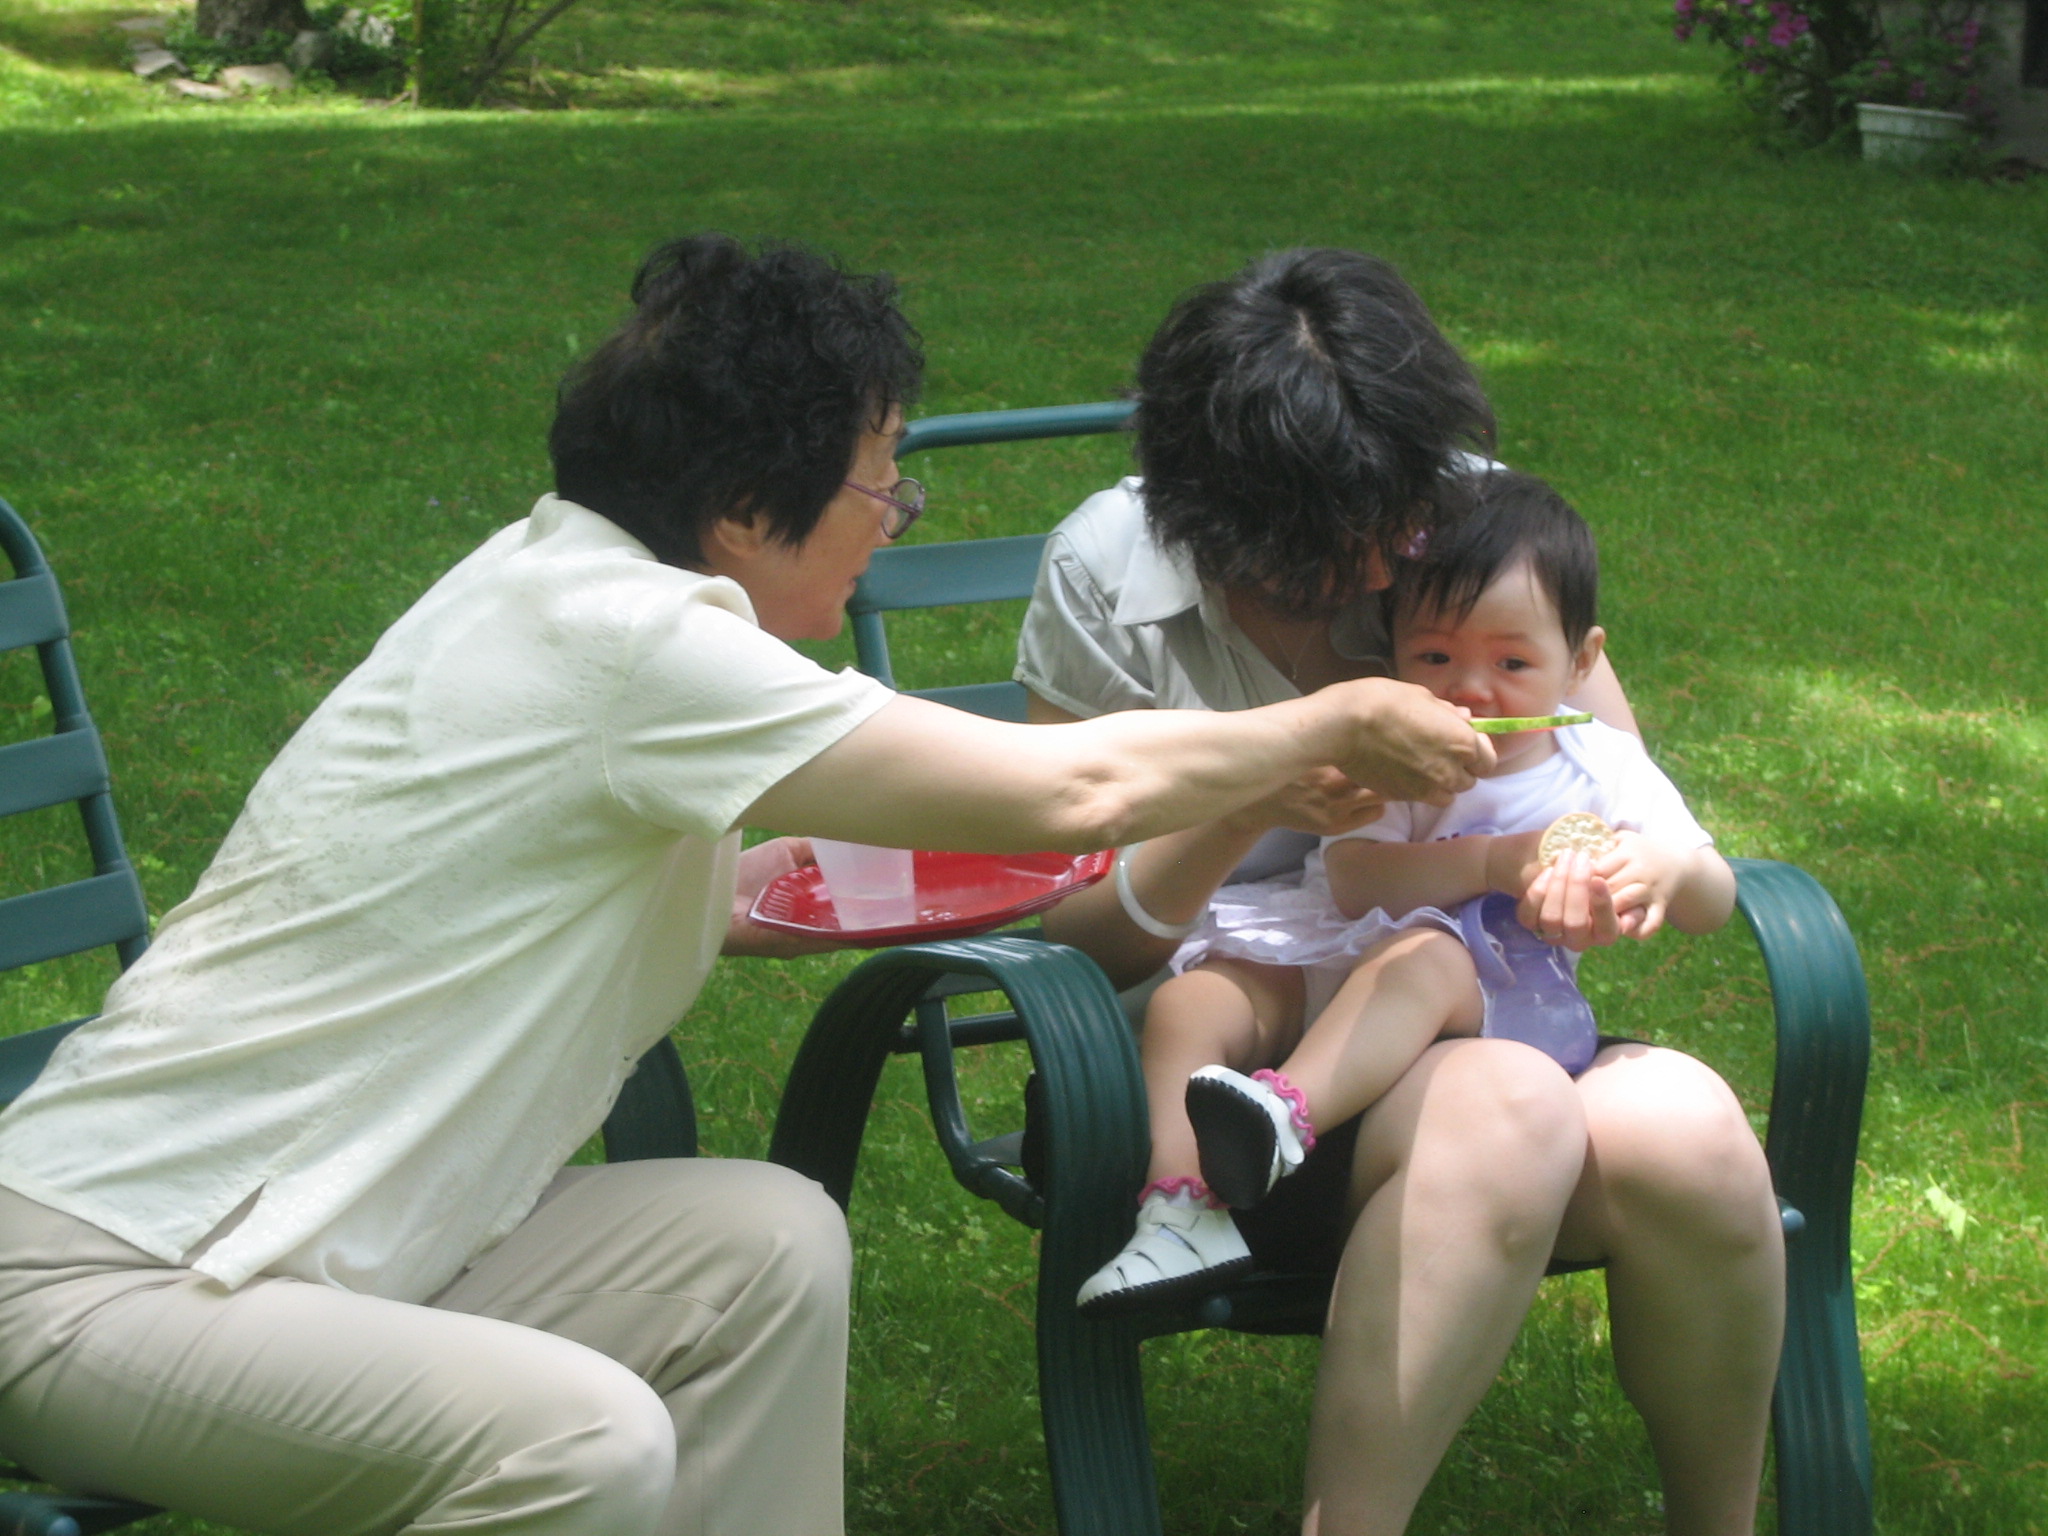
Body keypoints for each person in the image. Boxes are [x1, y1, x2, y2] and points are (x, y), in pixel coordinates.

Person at [0, 235, 1493, 1536]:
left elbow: (729, 883)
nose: (893, 516)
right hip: (105, 1271)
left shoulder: (553, 591)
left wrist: (1185, 819)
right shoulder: (631, 644)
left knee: (764, 1242)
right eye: (878, 483)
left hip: (336, 1237)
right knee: (577, 1445)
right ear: (738, 508)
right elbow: (1066, 789)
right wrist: (1318, 727)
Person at [1019, 248, 1785, 1536]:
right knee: (1504, 1104)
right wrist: (1253, 792)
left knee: (1689, 1129)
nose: (1387, 567)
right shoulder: (1108, 573)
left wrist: (1587, 876)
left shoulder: (1462, 519)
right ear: (1224, 519)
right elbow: (1074, 941)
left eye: (1402, 522)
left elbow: (1602, 786)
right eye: (1342, 542)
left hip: (1475, 1008)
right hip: (1217, 1081)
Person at [1076, 470, 1738, 1315]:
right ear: (1392, 654)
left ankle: (1283, 1119)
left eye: (1512, 662)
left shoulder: (1602, 766)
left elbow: (1713, 897)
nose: (1471, 687)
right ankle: (1178, 1207)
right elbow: (1355, 882)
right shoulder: (1406, 753)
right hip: (1341, 955)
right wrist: (1490, 861)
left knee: (1427, 956)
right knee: (1192, 1002)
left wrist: (1671, 871)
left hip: (1493, 993)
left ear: (1581, 661)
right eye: (1435, 657)